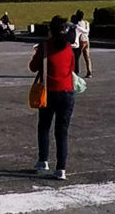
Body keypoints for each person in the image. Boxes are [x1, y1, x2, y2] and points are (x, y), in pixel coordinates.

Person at [30, 15, 76, 180]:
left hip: (49, 92)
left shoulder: (45, 46)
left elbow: (33, 67)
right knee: (62, 132)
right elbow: (72, 67)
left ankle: (43, 160)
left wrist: (37, 53)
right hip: (67, 92)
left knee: (44, 126)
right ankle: (61, 169)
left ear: (50, 30)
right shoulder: (68, 46)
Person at [72, 10, 92, 77]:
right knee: (87, 57)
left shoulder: (77, 24)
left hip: (80, 41)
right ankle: (89, 71)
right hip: (87, 40)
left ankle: (76, 71)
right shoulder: (86, 23)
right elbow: (87, 31)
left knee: (77, 57)